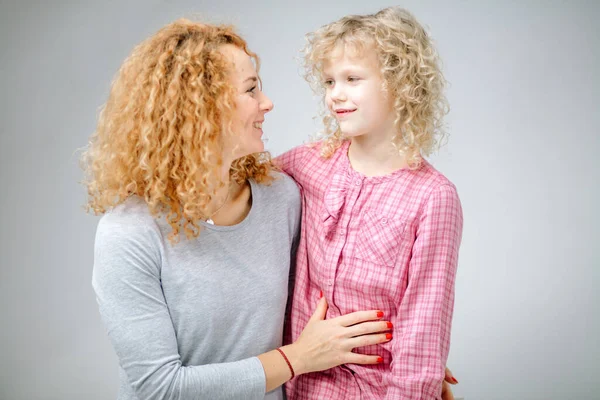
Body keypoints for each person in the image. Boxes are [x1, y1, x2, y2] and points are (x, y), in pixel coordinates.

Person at [81, 19, 395, 400]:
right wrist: (297, 358)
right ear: (199, 110)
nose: (267, 103)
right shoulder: (129, 234)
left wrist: (397, 361)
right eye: (250, 90)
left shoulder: (281, 197)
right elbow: (160, 389)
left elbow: (329, 299)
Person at [277, 7, 464, 399]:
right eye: (329, 81)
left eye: (352, 79)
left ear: (400, 83)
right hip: (300, 389)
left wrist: (422, 378)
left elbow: (422, 328)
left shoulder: (432, 197)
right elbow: (236, 183)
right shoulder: (309, 164)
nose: (335, 95)